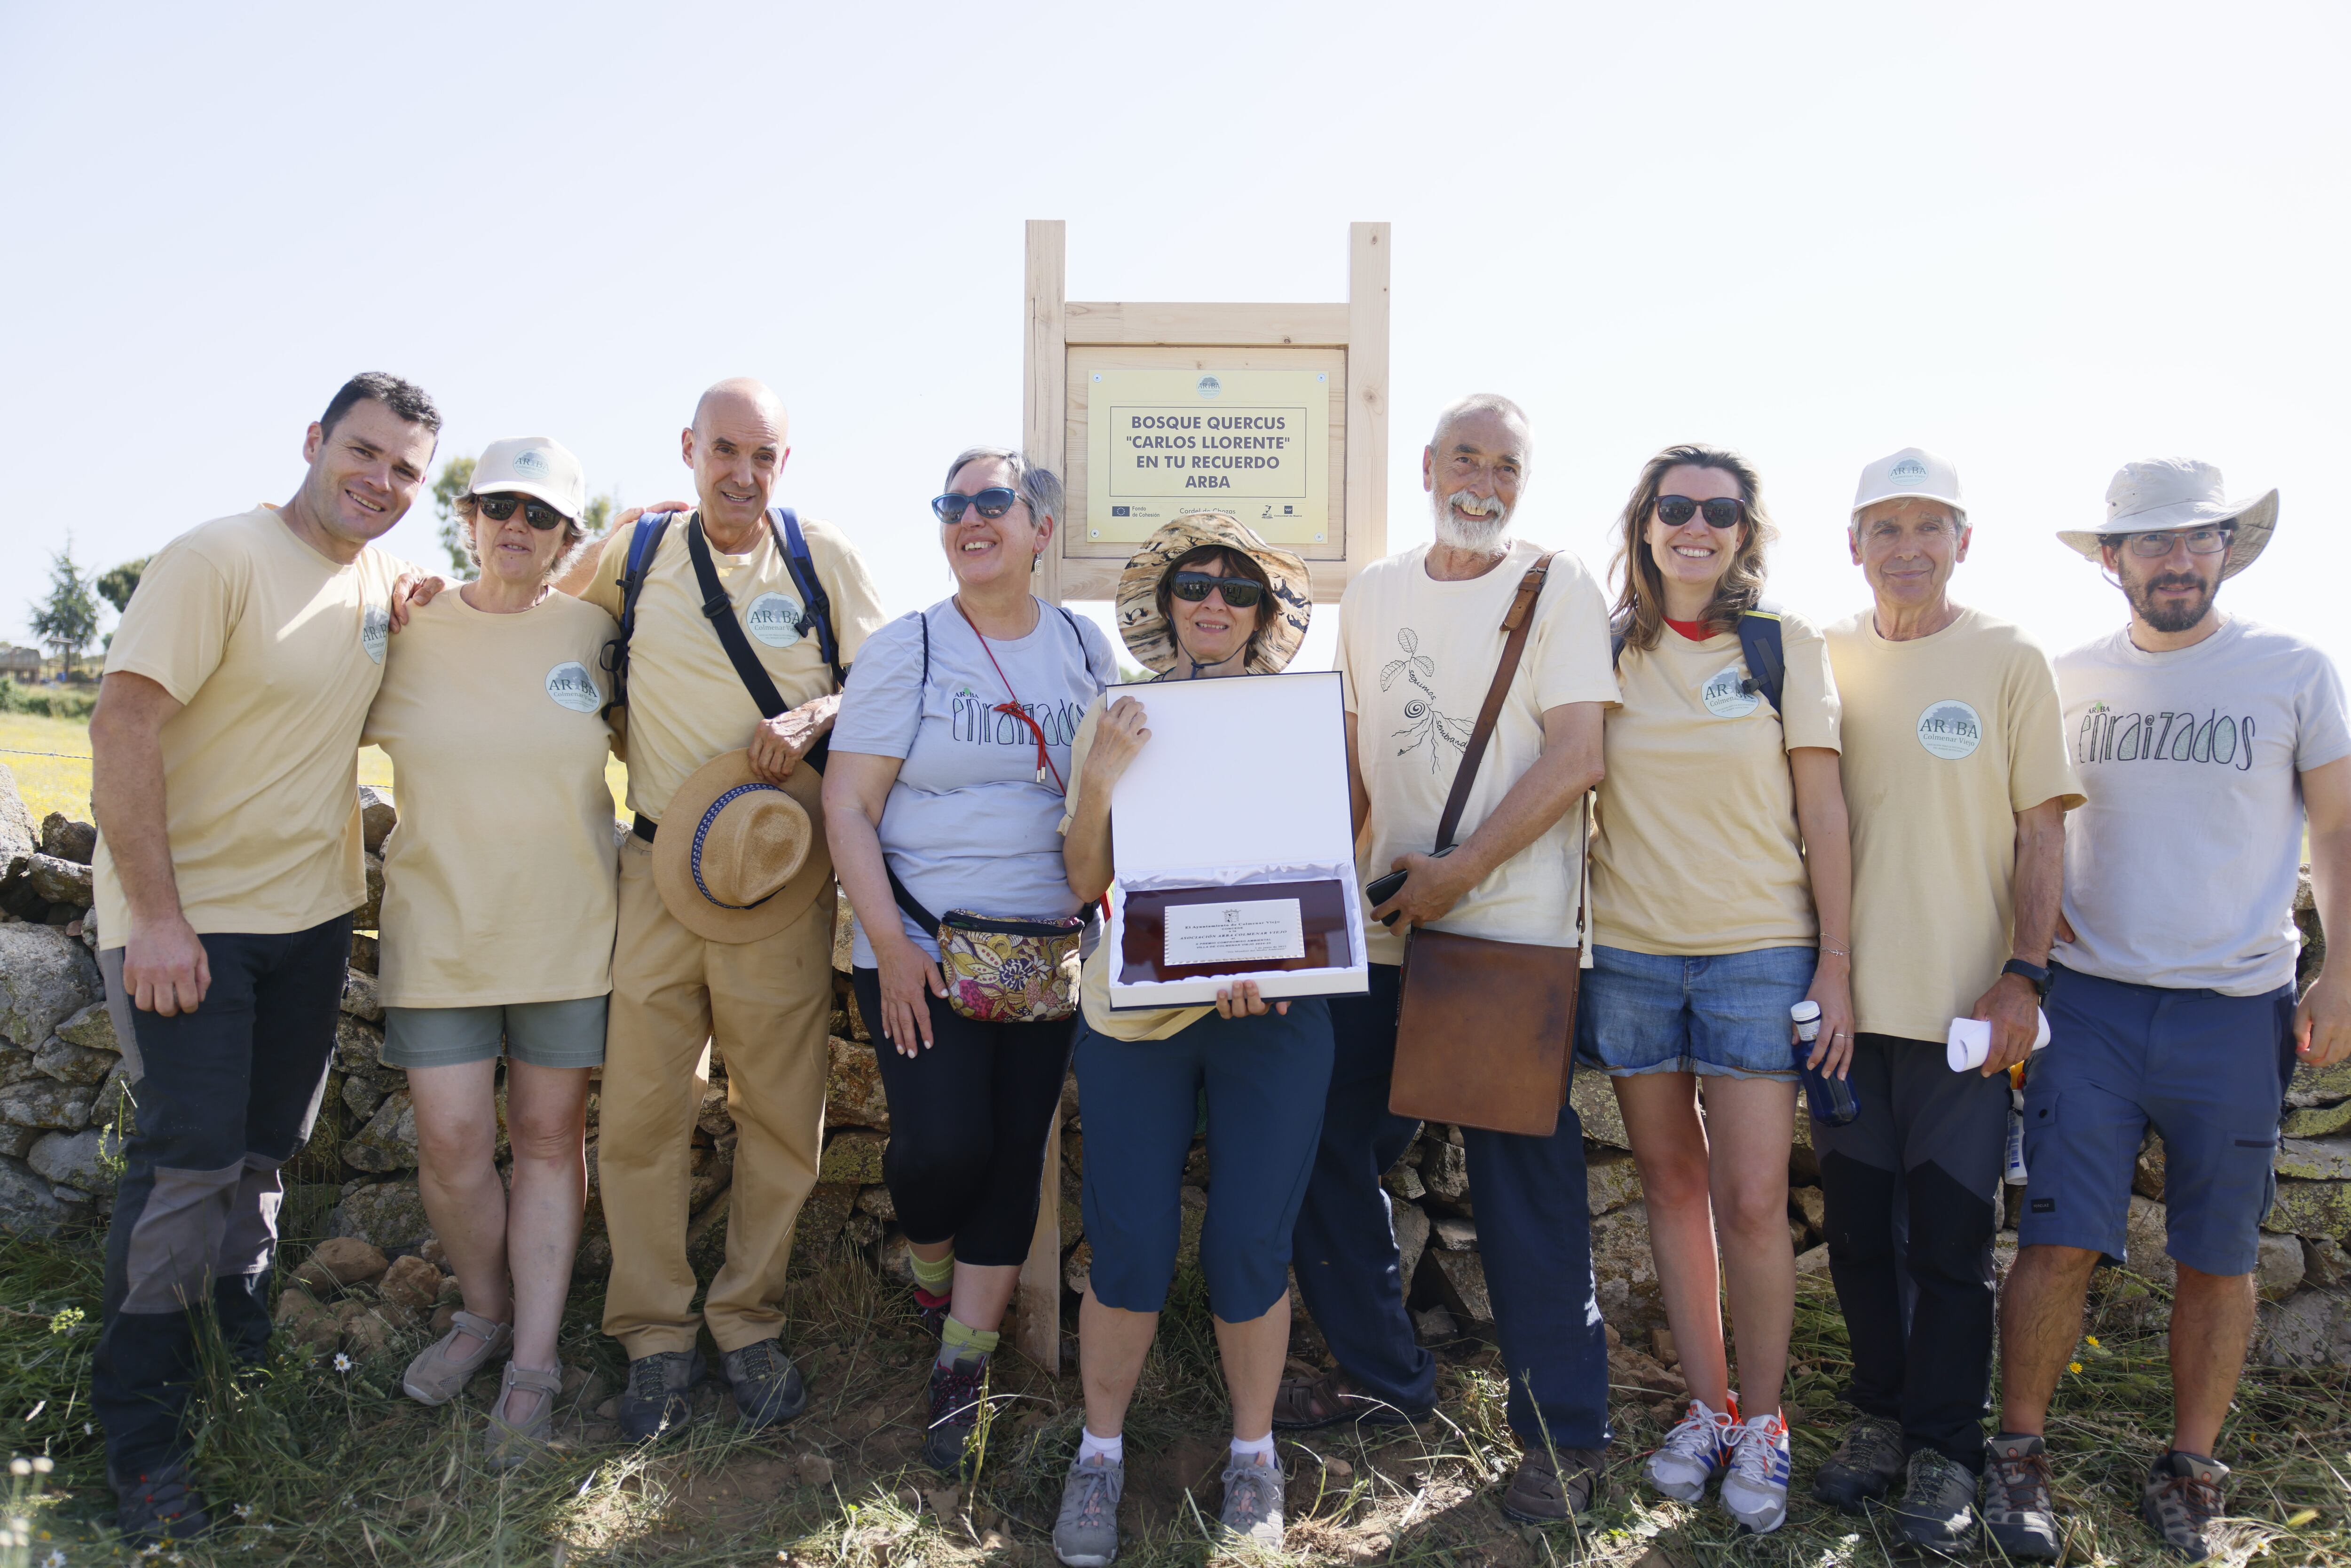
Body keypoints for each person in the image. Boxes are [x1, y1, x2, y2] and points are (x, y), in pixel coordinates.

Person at [86, 373, 443, 1541]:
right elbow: (123, 720)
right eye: (364, 452)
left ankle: (228, 1366)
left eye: (404, 470)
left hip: (310, 920)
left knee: (262, 1157)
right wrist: (157, 918)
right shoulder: (217, 558)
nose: (379, 481)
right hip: (190, 921)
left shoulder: (383, 581)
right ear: (313, 441)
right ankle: (139, 1442)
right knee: (187, 1161)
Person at [1990, 460, 2351, 1562]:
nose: (2177, 559)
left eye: (2198, 538)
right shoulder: (2064, 677)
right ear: (2112, 562)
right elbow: (2026, 832)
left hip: (2236, 1005)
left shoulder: (2291, 671)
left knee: (2217, 1254)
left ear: (2227, 550)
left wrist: (2343, 971)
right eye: (2151, 542)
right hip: (2090, 1002)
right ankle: (2016, 1464)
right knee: (2057, 1243)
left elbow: (2333, 834)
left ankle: (2191, 1474)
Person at [1278, 394, 1619, 1523]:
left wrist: (1460, 872)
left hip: (1503, 935)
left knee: (1524, 1196)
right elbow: (1355, 761)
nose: (1483, 480)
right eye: (1465, 458)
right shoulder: (1372, 593)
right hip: (1383, 928)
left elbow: (1577, 756)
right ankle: (1388, 1377)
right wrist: (1328, 891)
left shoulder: (1556, 589)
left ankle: (1563, 1440)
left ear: (1524, 483)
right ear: (1427, 465)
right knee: (1320, 1144)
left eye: (1505, 466)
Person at [568, 378, 885, 1439]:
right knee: (647, 1115)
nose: (742, 474)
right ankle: (653, 1336)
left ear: (783, 464)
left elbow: (889, 687)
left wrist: (820, 710)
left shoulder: (819, 556)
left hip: (781, 880)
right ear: (688, 449)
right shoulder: (641, 556)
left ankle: (748, 1320)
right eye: (724, 451)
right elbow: (550, 632)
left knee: (781, 1119)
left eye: (763, 455)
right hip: (655, 868)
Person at [824, 448, 1116, 1474]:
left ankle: (963, 1360)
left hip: (1045, 954)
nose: (970, 518)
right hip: (924, 950)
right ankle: (929, 1262)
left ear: (1041, 528)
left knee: (1012, 1154)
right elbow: (847, 806)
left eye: (995, 502)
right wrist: (893, 950)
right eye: (953, 504)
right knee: (940, 1147)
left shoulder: (1085, 647)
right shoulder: (907, 647)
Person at [1048, 514, 1330, 1565]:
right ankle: (1100, 1457)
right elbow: (1082, 881)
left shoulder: (1300, 720)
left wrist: (1280, 956)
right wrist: (1104, 777)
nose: (1213, 601)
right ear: (1164, 605)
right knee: (1126, 1241)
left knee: (1249, 1240)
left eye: (1239, 589)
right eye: (1194, 584)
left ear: (1264, 614)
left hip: (1272, 1020)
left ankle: (1253, 1457)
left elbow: (1321, 867)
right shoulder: (1113, 717)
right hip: (1136, 1021)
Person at [1581, 444, 1853, 1532]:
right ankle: (1704, 1407)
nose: (1696, 526)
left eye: (1721, 511)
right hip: (1634, 956)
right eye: (1675, 507)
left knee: (1749, 1200)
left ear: (1747, 532)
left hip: (1760, 956)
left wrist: (1834, 963)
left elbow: (1824, 813)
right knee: (1667, 1188)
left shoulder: (1788, 650)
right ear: (1644, 522)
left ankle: (1765, 1424)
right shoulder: (1601, 650)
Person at [1813, 448, 2080, 1552]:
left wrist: (2022, 974)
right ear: (1855, 545)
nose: (1908, 548)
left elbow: (2042, 827)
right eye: (1887, 527)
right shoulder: (1823, 658)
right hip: (1841, 1012)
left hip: (1964, 1018)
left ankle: (1945, 1451)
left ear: (1963, 541)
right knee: (1862, 1239)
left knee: (1952, 1244)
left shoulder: (2008, 656)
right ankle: (1880, 1419)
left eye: (1931, 527)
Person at [363, 437, 619, 1466]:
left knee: (552, 1141)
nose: (519, 526)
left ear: (566, 536)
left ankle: (537, 1361)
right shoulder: (405, 622)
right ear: (468, 517)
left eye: (542, 514)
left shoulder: (599, 629)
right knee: (455, 1146)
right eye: (499, 506)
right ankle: (483, 1312)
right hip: (439, 934)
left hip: (565, 934)